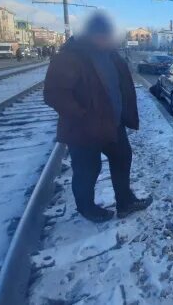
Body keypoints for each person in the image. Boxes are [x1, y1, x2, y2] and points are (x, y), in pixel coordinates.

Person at [43, 13, 152, 222]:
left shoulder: (112, 55)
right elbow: (55, 94)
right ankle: (87, 208)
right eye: (103, 35)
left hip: (113, 123)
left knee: (122, 159)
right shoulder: (70, 57)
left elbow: (122, 86)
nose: (107, 39)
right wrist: (82, 115)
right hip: (84, 127)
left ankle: (125, 202)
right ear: (90, 35)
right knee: (87, 169)